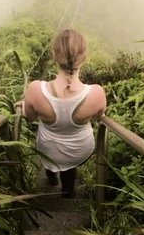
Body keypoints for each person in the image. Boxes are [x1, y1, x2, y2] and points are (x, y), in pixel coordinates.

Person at [17, 29, 107, 197]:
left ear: (54, 56)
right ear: (85, 57)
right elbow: (96, 118)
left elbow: (30, 118)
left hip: (48, 149)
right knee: (69, 164)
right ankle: (67, 191)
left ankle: (51, 176)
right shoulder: (96, 93)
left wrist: (24, 106)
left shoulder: (35, 89)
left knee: (51, 155)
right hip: (80, 149)